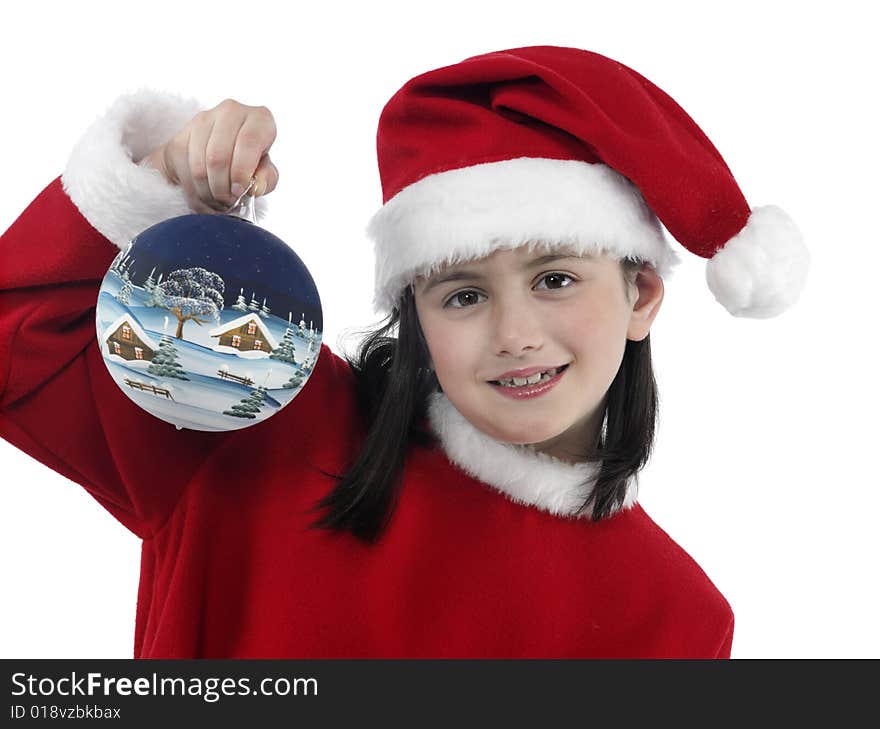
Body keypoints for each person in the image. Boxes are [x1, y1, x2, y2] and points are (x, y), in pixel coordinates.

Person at [0, 46, 809, 658]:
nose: (515, 333)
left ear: (642, 295)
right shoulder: (259, 416)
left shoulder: (675, 616)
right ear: (416, 314)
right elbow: (25, 347)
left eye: (556, 277)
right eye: (463, 294)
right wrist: (163, 187)